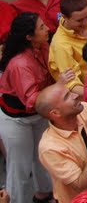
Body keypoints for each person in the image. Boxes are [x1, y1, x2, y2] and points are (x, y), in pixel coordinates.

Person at [0, 14, 55, 203]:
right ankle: (14, 200)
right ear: (29, 37)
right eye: (42, 27)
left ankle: (44, 194)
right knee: (19, 167)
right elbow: (31, 100)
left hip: (38, 114)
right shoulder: (20, 64)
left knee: (42, 156)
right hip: (16, 119)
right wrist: (59, 87)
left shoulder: (43, 47)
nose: (47, 29)